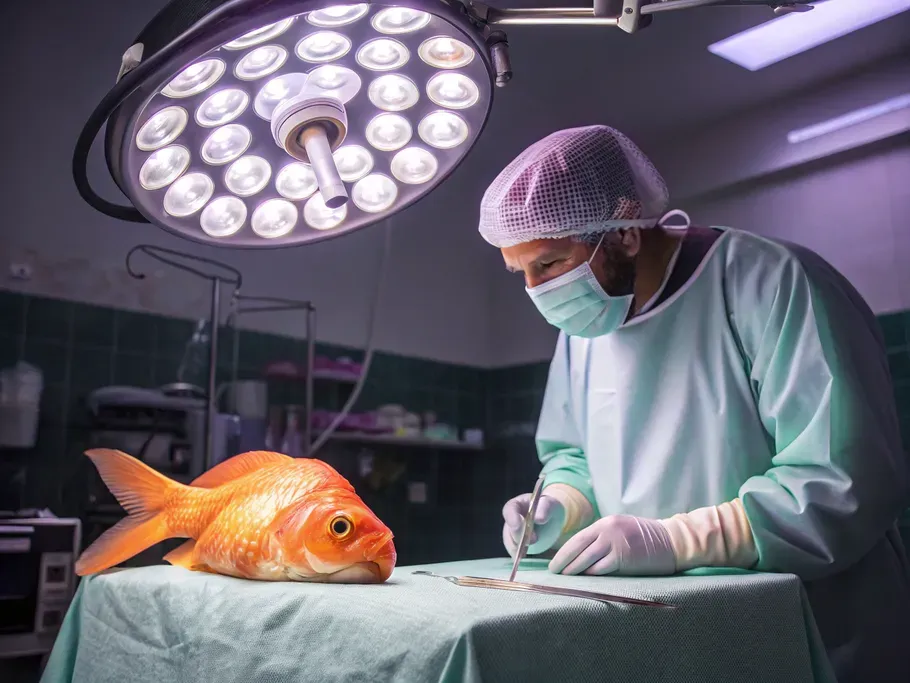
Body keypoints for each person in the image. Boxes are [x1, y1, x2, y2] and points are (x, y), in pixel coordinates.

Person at [478, 125, 910, 683]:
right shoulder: (586, 325)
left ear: (626, 231)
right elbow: (578, 457)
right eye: (523, 273)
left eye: (551, 263)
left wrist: (676, 540)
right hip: (672, 633)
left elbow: (840, 484)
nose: (538, 291)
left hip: (813, 633)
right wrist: (558, 505)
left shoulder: (772, 282)